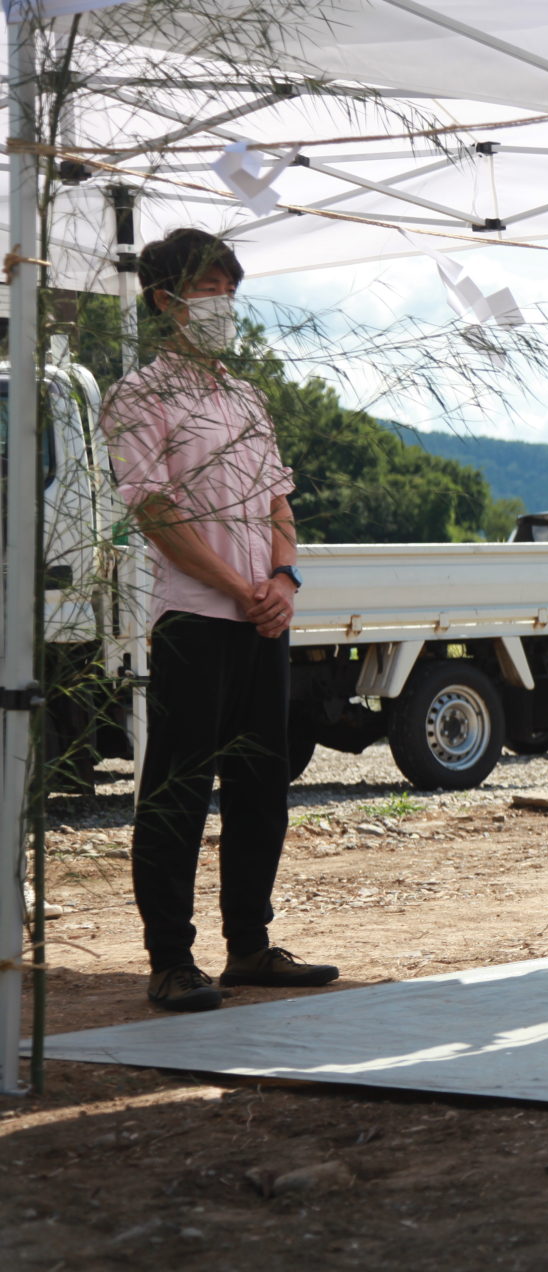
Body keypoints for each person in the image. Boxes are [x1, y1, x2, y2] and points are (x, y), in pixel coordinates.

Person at [105, 227, 338, 1012]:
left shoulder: (246, 396)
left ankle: (250, 946)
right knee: (176, 786)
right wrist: (237, 586)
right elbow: (155, 512)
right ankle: (170, 958)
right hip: (195, 619)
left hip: (261, 620)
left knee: (261, 784)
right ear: (166, 300)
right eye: (209, 290)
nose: (222, 305)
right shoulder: (140, 396)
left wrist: (281, 578)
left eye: (230, 290)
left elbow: (279, 503)